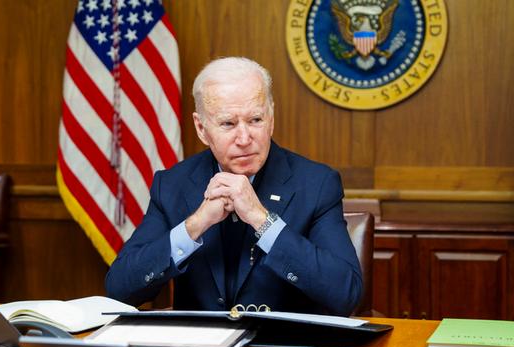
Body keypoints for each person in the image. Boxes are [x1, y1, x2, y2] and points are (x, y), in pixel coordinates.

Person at [105, 57, 362, 316]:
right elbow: (119, 289)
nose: (244, 138)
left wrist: (263, 221)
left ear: (271, 118)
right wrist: (195, 224)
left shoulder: (316, 184)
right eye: (228, 123)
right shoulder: (172, 185)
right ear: (201, 128)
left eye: (255, 120)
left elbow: (346, 293)